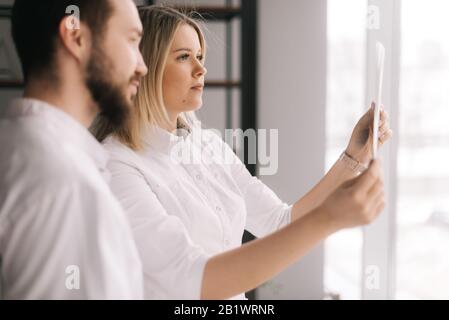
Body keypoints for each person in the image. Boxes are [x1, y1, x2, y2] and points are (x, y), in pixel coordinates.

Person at [92, 5, 393, 300]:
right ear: (144, 68)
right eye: (184, 57)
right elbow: (192, 282)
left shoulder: (207, 144)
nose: (201, 68)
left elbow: (280, 221)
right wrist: (330, 218)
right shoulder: (118, 166)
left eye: (199, 56)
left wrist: (353, 157)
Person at [0, 0, 148, 299]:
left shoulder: (14, 146)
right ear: (76, 37)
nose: (142, 66)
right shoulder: (65, 183)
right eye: (132, 40)